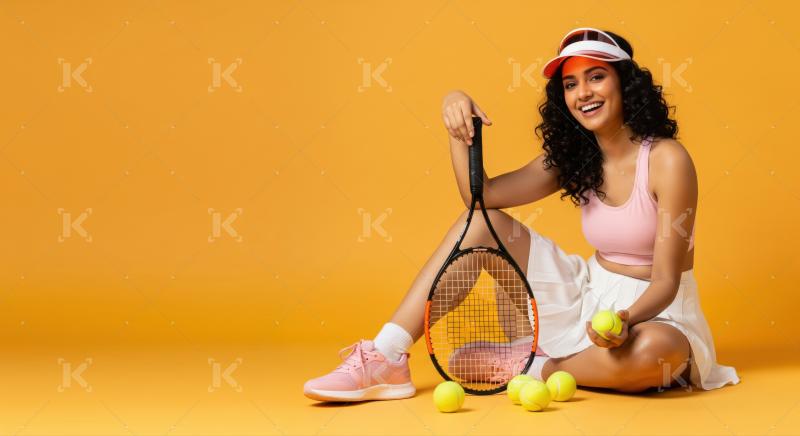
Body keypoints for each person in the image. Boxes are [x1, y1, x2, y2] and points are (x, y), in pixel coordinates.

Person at [303, 27, 740, 402]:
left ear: (625, 84)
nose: (583, 93)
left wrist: (627, 319)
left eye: (596, 77)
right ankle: (386, 356)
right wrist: (459, 124)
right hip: (586, 295)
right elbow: (483, 198)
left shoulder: (668, 160)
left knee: (657, 356)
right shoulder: (574, 157)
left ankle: (539, 367)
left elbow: (665, 281)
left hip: (657, 312)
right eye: (570, 84)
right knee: (478, 225)